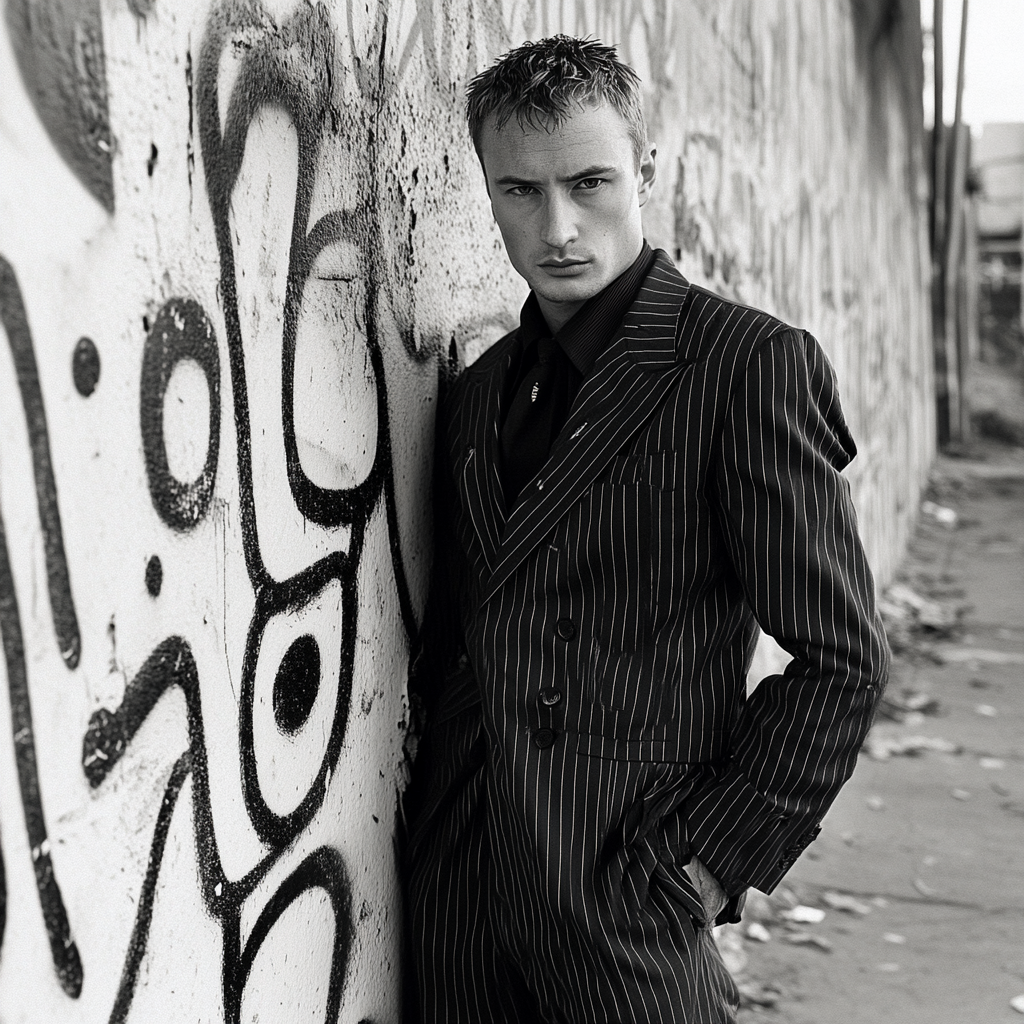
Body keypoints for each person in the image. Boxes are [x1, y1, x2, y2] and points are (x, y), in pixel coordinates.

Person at [405, 34, 889, 1024]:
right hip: (460, 882)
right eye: (520, 191)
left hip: (623, 880)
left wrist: (713, 857)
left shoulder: (743, 365)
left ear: (647, 172)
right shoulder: (479, 391)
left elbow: (840, 657)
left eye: (590, 183)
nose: (558, 226)